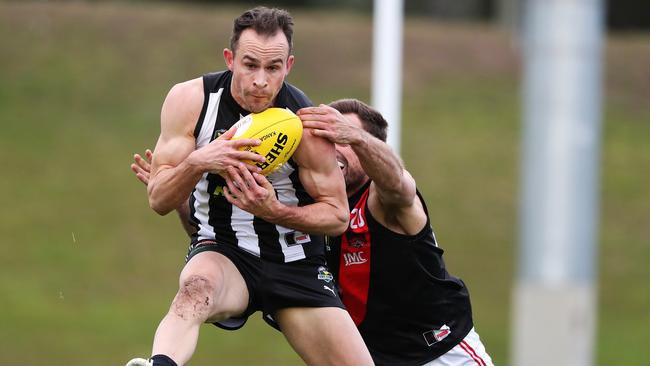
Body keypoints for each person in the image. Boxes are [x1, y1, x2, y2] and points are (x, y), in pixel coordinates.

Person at [125, 7, 373, 366]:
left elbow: (337, 217)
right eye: (250, 64)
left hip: (296, 261)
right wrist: (199, 161)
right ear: (230, 59)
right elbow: (159, 200)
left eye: (272, 68)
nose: (260, 80)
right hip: (224, 250)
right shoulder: (192, 101)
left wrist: (274, 210)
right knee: (194, 290)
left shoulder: (305, 123)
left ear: (288, 66)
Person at [220, 99, 494, 366]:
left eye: (342, 140)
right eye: (325, 142)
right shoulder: (309, 207)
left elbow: (398, 183)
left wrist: (357, 138)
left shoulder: (381, 197)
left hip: (440, 352)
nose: (333, 150)